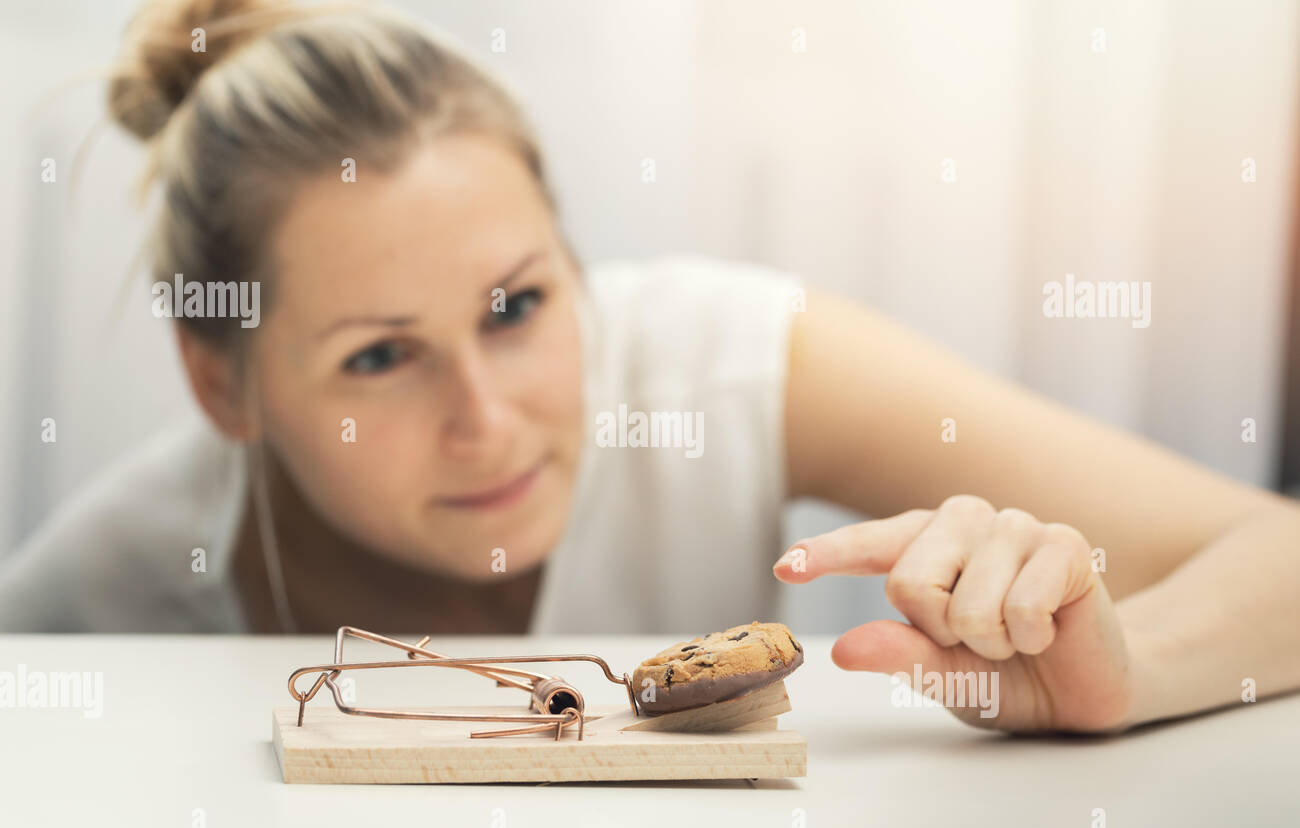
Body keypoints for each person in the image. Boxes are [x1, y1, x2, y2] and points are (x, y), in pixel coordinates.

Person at [2, 0, 1297, 736]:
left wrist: (1123, 675)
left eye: (517, 304)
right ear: (222, 384)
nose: (488, 419)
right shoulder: (92, 597)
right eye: (381, 355)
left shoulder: (719, 361)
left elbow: (1277, 552)